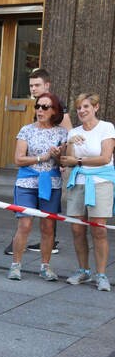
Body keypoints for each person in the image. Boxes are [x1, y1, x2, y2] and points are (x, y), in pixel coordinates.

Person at [4, 68, 71, 255]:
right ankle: (21, 248)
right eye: (31, 85)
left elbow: (68, 138)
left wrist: (62, 157)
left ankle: (50, 244)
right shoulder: (36, 111)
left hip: (52, 172)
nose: (33, 88)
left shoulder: (59, 109)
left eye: (37, 85)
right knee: (26, 219)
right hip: (31, 174)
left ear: (47, 85)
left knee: (47, 220)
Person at [8, 92, 67, 282]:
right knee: (24, 224)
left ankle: (45, 266)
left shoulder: (62, 133)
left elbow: (62, 163)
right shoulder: (26, 130)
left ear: (54, 111)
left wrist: (57, 155)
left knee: (48, 227)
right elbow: (18, 159)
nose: (40, 110)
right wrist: (42, 157)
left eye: (45, 107)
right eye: (37, 106)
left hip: (51, 183)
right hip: (26, 182)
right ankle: (16, 265)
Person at [59, 93, 115, 292]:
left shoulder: (107, 127)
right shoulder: (73, 132)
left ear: (96, 107)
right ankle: (83, 270)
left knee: (99, 230)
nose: (82, 111)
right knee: (77, 229)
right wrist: (71, 143)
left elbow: (105, 157)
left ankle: (101, 275)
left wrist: (78, 162)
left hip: (100, 182)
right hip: (78, 183)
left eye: (86, 107)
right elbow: (67, 161)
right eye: (79, 108)